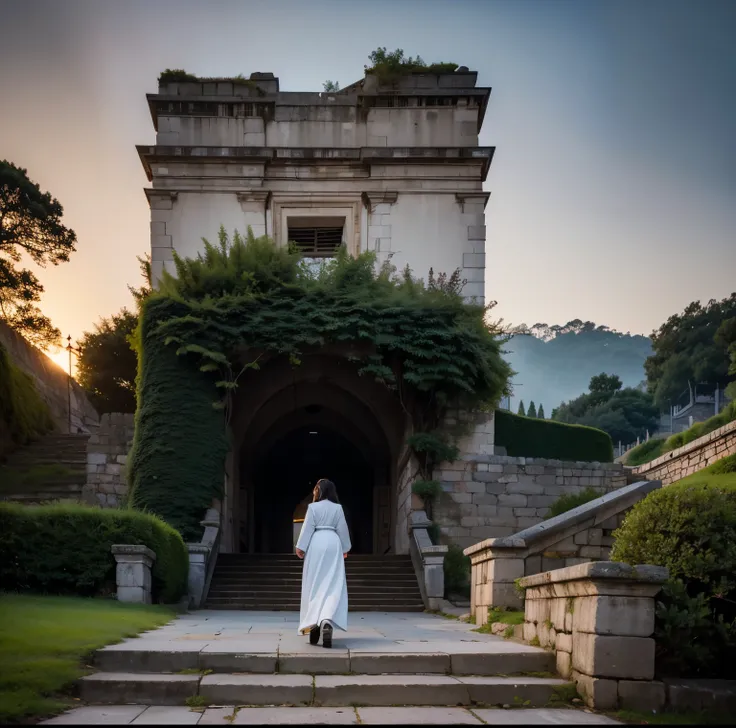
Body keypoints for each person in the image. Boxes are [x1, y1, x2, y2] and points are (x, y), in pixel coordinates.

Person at [295, 478, 351, 648]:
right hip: (333, 543)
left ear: (318, 491)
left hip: (316, 543)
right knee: (333, 584)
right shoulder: (338, 508)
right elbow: (343, 530)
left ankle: (313, 623)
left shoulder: (313, 508)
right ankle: (327, 620)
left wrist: (300, 547)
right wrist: (345, 548)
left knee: (314, 584)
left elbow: (307, 528)